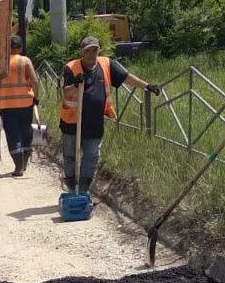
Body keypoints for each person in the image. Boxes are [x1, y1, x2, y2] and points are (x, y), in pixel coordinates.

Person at [61, 35, 158, 192]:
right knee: (70, 156)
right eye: (88, 51)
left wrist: (147, 86)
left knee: (91, 157)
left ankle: (83, 189)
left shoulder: (106, 64)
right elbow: (66, 93)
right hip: (72, 121)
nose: (92, 54)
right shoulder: (71, 67)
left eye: (95, 50)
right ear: (82, 52)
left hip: (94, 122)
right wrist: (76, 83)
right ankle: (72, 186)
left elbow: (126, 77)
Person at [0, 34, 40, 177]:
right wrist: (36, 98)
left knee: (13, 135)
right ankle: (24, 164)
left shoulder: (0, 62)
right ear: (20, 48)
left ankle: (18, 166)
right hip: (25, 104)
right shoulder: (25, 61)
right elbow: (35, 81)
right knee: (25, 132)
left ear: (8, 48)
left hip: (6, 105)